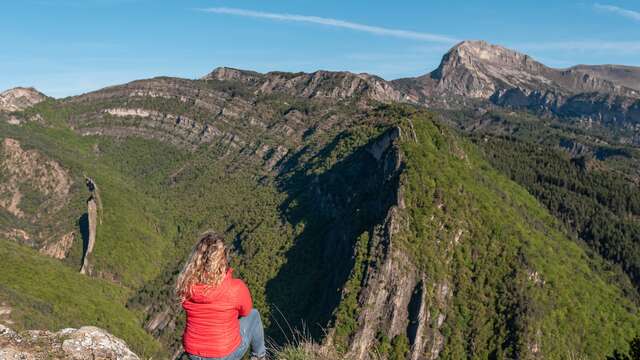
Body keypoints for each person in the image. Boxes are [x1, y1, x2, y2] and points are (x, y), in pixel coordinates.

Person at [176, 232, 266, 360]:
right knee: (254, 315)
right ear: (223, 260)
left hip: (193, 352)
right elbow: (246, 311)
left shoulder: (186, 286)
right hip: (223, 354)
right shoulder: (235, 288)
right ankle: (259, 356)